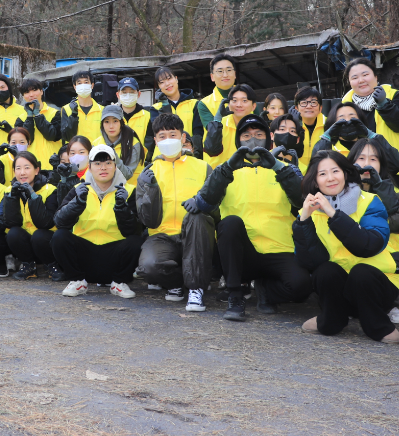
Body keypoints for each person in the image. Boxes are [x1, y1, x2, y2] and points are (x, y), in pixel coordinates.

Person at [186, 114, 310, 320]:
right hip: (242, 253)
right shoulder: (224, 171)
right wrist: (226, 169)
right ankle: (235, 296)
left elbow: (300, 201)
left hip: (280, 248)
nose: (252, 139)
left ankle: (266, 290)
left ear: (269, 139)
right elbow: (206, 202)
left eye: (258, 134)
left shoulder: (287, 169)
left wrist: (277, 166)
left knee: (302, 287)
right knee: (230, 223)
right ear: (238, 142)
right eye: (246, 135)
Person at [292, 151, 399, 343]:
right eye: (322, 174)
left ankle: (377, 324)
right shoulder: (309, 210)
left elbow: (368, 245)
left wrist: (333, 214)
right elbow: (309, 262)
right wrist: (303, 221)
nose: (330, 178)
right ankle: (331, 320)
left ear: (345, 173)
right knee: (325, 271)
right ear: (315, 181)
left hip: (377, 284)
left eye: (335, 171)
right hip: (341, 288)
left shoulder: (370, 201)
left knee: (361, 272)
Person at [135, 113, 215, 310]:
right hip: (161, 235)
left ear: (183, 138)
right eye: (162, 136)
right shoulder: (148, 172)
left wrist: (201, 203)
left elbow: (216, 204)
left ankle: (196, 289)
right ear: (155, 140)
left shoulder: (203, 167)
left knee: (197, 216)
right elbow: (146, 219)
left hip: (194, 234)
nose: (168, 140)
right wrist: (149, 189)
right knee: (148, 267)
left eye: (173, 135)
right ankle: (177, 283)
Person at [52, 145, 144, 298]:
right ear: (90, 167)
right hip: (84, 258)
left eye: (108, 163)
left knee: (135, 241)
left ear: (115, 166)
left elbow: (134, 230)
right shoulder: (78, 189)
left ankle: (119, 283)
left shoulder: (129, 191)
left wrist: (122, 208)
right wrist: (77, 203)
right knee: (59, 236)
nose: (103, 167)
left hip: (114, 258)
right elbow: (60, 221)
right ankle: (77, 281)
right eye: (97, 163)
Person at [348, 137, 399, 325]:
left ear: (381, 164)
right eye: (361, 158)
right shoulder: (342, 191)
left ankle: (388, 306)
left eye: (373, 159)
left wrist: (384, 193)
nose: (366, 164)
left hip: (389, 261)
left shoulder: (394, 192)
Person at [341, 59, 399, 190]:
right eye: (355, 77)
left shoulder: (392, 95)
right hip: (358, 171)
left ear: (375, 76)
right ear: (350, 82)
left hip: (394, 168)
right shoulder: (344, 107)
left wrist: (384, 104)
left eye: (365, 75)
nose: (361, 80)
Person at [1, 152, 61, 280]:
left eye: (27, 167)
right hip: (26, 242)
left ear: (36, 170)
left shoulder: (49, 190)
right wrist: (12, 197)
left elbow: (45, 223)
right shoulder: (8, 190)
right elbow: (11, 222)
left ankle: (51, 265)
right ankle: (28, 265)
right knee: (13, 233)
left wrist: (33, 195)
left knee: (39, 236)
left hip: (45, 242)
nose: (22, 172)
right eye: (18, 168)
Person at [311, 103, 399, 176]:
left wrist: (370, 135)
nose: (347, 121)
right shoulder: (328, 148)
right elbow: (315, 171)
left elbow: (396, 165)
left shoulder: (371, 145)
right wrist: (327, 137)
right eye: (341, 119)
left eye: (352, 118)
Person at [202, 84, 257, 169]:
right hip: (222, 178)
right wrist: (217, 121)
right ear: (228, 104)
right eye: (234, 100)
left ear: (253, 106)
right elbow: (211, 150)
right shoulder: (218, 125)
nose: (239, 105)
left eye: (244, 101)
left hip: (249, 179)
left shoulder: (260, 127)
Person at [152, 67, 203, 157]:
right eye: (162, 82)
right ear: (159, 87)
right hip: (163, 157)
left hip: (189, 155)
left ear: (176, 79)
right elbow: (162, 130)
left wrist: (196, 154)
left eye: (169, 78)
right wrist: (165, 106)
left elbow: (198, 132)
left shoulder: (194, 104)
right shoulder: (155, 109)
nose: (167, 84)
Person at [18, 77, 62, 175]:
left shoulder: (56, 114)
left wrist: (37, 115)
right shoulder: (21, 119)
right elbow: (27, 141)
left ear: (41, 91)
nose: (31, 95)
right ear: (23, 96)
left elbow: (52, 136)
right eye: (27, 92)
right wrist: (30, 116)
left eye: (34, 90)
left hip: (53, 166)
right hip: (29, 168)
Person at [93, 105, 143, 184]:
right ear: (102, 124)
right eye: (106, 122)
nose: (111, 126)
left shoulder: (134, 143)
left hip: (128, 191)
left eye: (115, 121)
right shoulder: (96, 144)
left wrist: (113, 155)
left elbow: (127, 174)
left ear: (122, 122)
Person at [197, 54, 239, 135]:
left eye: (229, 70)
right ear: (212, 77)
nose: (225, 75)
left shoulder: (248, 96)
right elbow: (212, 132)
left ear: (235, 74)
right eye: (220, 71)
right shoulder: (204, 104)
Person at [113, 77, 152, 161]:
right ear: (118, 95)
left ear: (138, 94)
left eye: (131, 92)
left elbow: (150, 145)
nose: (128, 95)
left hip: (141, 167)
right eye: (124, 92)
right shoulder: (112, 118)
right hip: (117, 168)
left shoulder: (148, 116)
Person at [61, 70, 103, 143]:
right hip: (76, 153)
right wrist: (73, 116)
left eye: (86, 82)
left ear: (92, 85)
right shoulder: (66, 109)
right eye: (79, 83)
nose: (83, 85)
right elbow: (67, 137)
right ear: (75, 87)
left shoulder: (102, 110)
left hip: (97, 152)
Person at [293, 87, 325, 172]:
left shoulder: (329, 125)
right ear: (296, 108)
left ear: (320, 108)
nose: (309, 106)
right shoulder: (290, 128)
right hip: (297, 175)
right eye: (303, 103)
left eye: (313, 102)